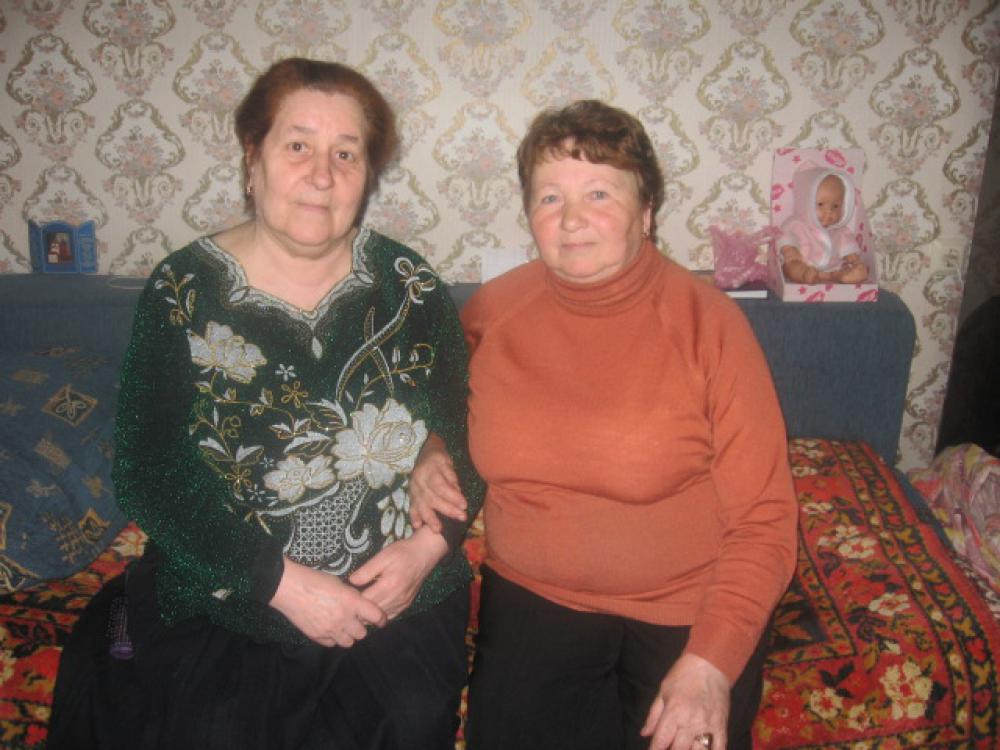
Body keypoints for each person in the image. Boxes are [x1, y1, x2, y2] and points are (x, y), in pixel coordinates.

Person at [48, 57, 483, 750]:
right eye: (298, 145)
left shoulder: (410, 285)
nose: (323, 175)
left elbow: (463, 424)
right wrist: (280, 584)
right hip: (232, 585)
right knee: (218, 726)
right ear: (253, 157)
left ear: (368, 174)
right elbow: (148, 466)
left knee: (407, 718)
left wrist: (429, 546)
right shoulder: (184, 290)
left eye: (347, 153)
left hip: (396, 588)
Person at [410, 99, 798, 750]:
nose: (571, 220)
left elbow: (765, 518)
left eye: (598, 192)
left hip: (685, 605)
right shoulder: (492, 312)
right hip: (534, 598)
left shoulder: (710, 327)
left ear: (646, 213)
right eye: (550, 197)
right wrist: (432, 448)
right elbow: (441, 402)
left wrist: (712, 662)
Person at [778, 167, 868, 284]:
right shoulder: (796, 224)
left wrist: (852, 257)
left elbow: (848, 246)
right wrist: (789, 250)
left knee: (850, 268)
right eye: (820, 204)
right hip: (805, 264)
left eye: (835, 206)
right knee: (791, 266)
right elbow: (784, 235)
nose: (828, 212)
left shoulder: (840, 230)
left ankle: (843, 276)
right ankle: (805, 275)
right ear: (805, 201)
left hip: (832, 269)